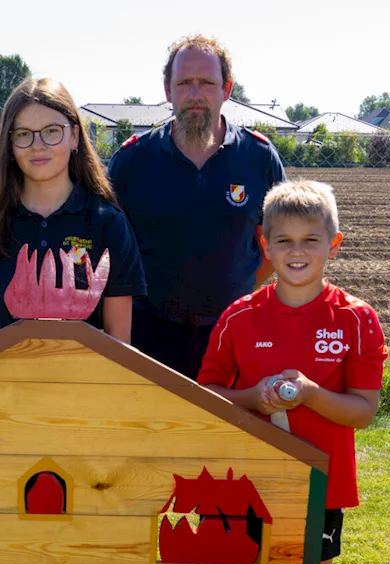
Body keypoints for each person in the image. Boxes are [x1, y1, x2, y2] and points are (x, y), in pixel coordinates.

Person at [196, 181, 387, 564]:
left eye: (310, 240)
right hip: (247, 477)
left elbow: (363, 412)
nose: (296, 251)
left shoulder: (356, 319)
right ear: (265, 245)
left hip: (322, 484)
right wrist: (254, 398)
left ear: (333, 244)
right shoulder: (239, 316)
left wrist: (311, 394)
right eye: (283, 240)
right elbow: (206, 397)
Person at [107, 34, 285, 379]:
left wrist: (237, 290)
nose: (195, 94)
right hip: (148, 335)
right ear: (167, 90)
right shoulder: (132, 161)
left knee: (228, 431)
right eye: (185, 83)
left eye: (207, 82)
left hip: (232, 333)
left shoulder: (259, 158)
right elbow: (110, 254)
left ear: (227, 89)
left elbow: (274, 247)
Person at [0, 77, 145, 348]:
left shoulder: (108, 224)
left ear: (74, 136)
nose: (38, 145)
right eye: (24, 134)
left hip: (82, 390)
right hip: (2, 389)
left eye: (52, 131)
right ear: (10, 144)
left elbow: (119, 342)